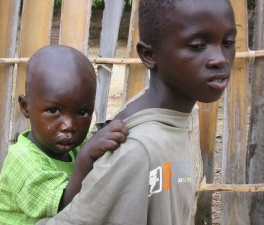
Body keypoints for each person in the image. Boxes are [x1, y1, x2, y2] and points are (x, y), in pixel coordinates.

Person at [37, 0, 237, 224]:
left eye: (228, 42)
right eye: (198, 45)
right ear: (149, 55)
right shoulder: (137, 150)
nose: (220, 58)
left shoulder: (174, 120)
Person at [0, 45, 128, 225]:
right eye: (53, 110)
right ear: (26, 107)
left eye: (82, 113)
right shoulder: (23, 160)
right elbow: (65, 207)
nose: (69, 126)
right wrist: (86, 157)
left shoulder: (75, 146)